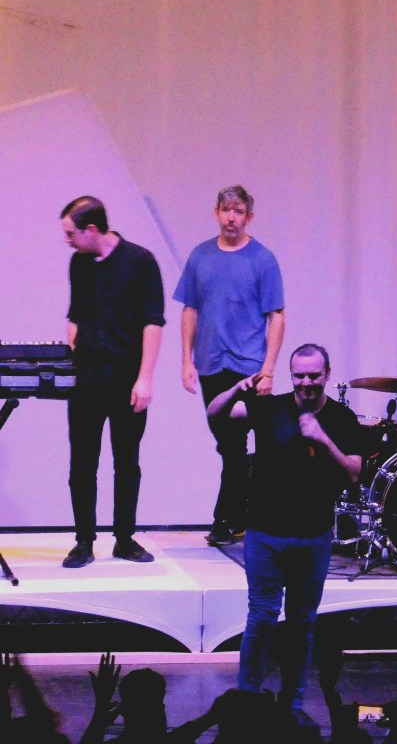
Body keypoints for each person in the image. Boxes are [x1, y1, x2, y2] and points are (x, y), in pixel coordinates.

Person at [206, 343, 363, 726]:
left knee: (301, 624)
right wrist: (235, 390)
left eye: (314, 375)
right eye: (299, 375)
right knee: (261, 617)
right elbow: (216, 415)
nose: (306, 382)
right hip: (266, 533)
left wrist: (322, 438)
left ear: (327, 374)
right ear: (291, 376)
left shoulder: (341, 418)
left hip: (313, 536)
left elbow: (353, 472)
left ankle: (292, 706)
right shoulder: (269, 408)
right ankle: (247, 701)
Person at [173, 185, 285, 547]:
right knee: (228, 444)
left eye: (238, 212)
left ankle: (227, 520)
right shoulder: (200, 256)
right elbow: (190, 309)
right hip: (210, 364)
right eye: (225, 210)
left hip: (248, 365)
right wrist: (186, 360)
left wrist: (268, 370)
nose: (231, 218)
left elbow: (276, 316)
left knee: (236, 441)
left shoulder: (262, 259)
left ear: (248, 217)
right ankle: (240, 517)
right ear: (216, 213)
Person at [61, 196, 164, 568]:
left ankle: (124, 538)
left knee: (127, 462)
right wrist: (73, 359)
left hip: (126, 377)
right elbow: (75, 315)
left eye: (71, 233)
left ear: (92, 230)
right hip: (87, 378)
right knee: (82, 463)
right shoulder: (79, 263)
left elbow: (153, 322)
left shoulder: (140, 261)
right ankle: (84, 541)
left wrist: (145, 378)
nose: (68, 241)